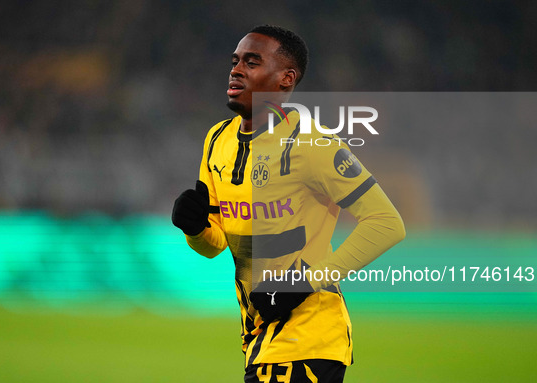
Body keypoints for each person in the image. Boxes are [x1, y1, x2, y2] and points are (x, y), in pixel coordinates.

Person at [172, 25, 405, 383]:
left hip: (308, 340)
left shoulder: (314, 144)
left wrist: (302, 283)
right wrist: (195, 228)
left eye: (252, 62)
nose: (236, 70)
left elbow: (386, 223)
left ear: (285, 79)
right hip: (259, 340)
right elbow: (215, 245)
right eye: (235, 61)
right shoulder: (217, 140)